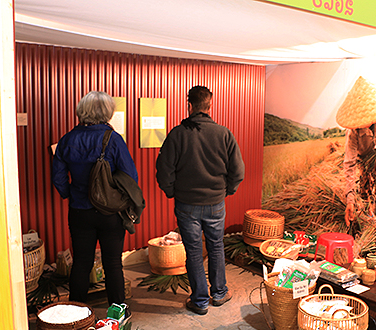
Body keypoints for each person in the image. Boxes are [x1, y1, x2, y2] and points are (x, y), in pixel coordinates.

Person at [156, 86, 245, 315]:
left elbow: (163, 170)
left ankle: (200, 301)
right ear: (210, 105)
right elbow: (238, 171)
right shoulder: (224, 134)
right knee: (216, 247)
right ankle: (219, 293)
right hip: (216, 203)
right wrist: (228, 191)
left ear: (189, 105)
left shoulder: (177, 134)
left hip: (186, 205)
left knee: (194, 252)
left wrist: (171, 191)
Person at [52, 91, 138, 306]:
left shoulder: (67, 139)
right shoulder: (113, 140)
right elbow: (130, 177)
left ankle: (76, 315)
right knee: (113, 263)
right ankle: (118, 315)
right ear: (107, 112)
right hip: (110, 213)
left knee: (81, 262)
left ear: (82, 111)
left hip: (80, 211)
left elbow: (58, 178)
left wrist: (70, 194)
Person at [343, 116, 376, 228]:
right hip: (362, 158)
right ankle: (369, 213)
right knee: (365, 187)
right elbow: (350, 164)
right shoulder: (353, 131)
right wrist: (350, 201)